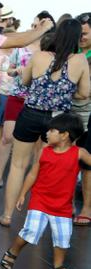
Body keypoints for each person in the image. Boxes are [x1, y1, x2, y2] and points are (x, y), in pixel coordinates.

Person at [0, 18, 90, 226]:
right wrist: (63, 94)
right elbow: (85, 93)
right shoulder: (80, 60)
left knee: (18, 165)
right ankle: (39, 216)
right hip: (59, 121)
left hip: (30, 114)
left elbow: (25, 81)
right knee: (46, 168)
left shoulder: (39, 56)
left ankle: (7, 215)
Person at [0, 113, 91, 269]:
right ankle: (12, 253)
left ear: (64, 135)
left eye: (52, 130)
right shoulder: (44, 152)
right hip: (40, 200)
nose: (47, 133)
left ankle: (58, 266)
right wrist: (22, 194)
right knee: (30, 231)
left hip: (63, 205)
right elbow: (32, 175)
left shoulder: (79, 153)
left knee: (62, 237)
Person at [0, 11, 53, 190]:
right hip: (17, 96)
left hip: (39, 101)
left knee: (39, 144)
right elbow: (9, 70)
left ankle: (32, 181)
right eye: (33, 25)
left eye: (37, 25)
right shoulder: (22, 47)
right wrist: (17, 72)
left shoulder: (52, 50)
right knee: (7, 137)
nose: (34, 28)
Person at [0, 0, 54, 94]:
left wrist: (37, 29)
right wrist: (45, 28)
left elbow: (13, 36)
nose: (0, 20)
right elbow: (21, 42)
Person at [73, 12, 91, 226]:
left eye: (85, 33)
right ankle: (66, 204)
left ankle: (87, 207)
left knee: (87, 164)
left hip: (89, 115)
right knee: (68, 159)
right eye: (80, 33)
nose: (82, 36)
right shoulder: (71, 52)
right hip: (69, 115)